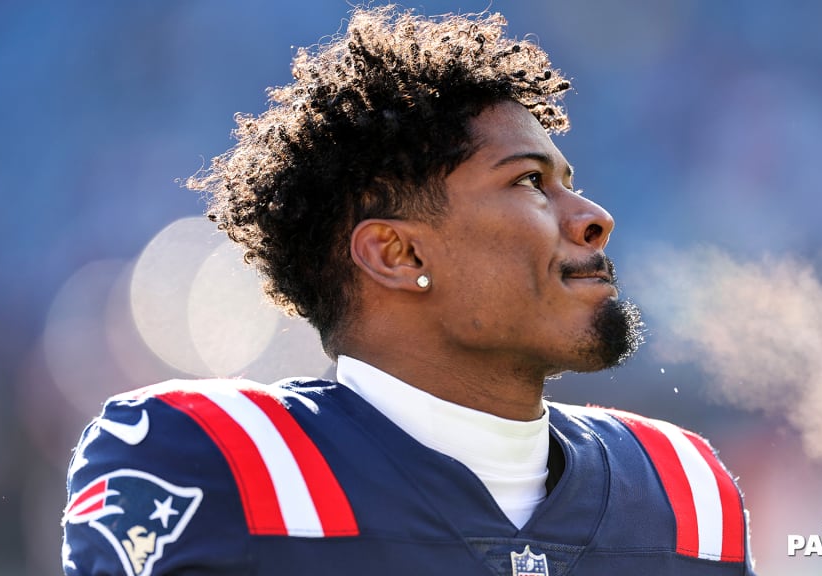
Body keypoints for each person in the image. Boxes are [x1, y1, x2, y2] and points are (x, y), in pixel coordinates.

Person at [62, 6, 755, 575]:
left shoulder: (681, 488)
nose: (593, 217)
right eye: (528, 182)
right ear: (395, 253)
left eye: (568, 181)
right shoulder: (217, 462)